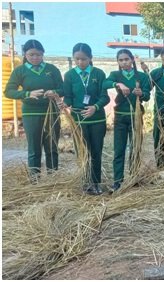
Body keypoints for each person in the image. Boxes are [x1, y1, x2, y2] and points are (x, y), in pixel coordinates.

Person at [4, 39, 63, 184]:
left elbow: (63, 88)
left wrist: (54, 92)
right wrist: (26, 94)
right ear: (25, 54)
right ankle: (35, 180)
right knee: (34, 148)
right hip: (30, 114)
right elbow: (8, 91)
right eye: (31, 55)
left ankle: (53, 178)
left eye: (38, 55)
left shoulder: (52, 69)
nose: (35, 58)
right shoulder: (20, 71)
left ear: (43, 54)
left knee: (52, 146)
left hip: (51, 113)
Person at [62, 43, 109, 195]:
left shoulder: (99, 74)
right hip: (78, 120)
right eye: (77, 59)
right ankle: (85, 183)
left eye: (84, 59)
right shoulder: (69, 75)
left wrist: (95, 107)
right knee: (83, 152)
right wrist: (63, 103)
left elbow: (105, 97)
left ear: (90, 58)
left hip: (97, 120)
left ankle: (96, 183)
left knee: (96, 152)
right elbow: (68, 97)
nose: (80, 62)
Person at [102, 49, 151, 191]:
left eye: (126, 59)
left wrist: (141, 93)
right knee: (119, 149)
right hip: (120, 116)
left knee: (135, 147)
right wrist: (118, 85)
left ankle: (134, 177)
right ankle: (118, 181)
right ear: (118, 62)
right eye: (121, 60)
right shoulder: (115, 75)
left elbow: (147, 95)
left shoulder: (141, 76)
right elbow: (105, 83)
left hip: (135, 116)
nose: (124, 62)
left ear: (132, 60)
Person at [141, 46, 164, 169]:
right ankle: (161, 167)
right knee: (159, 139)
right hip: (159, 112)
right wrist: (145, 76)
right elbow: (147, 90)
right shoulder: (156, 73)